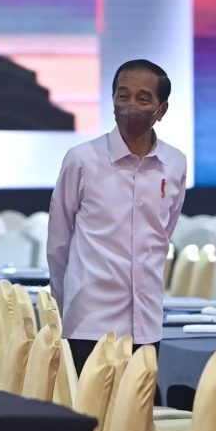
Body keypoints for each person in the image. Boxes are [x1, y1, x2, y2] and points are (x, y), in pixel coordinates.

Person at [47, 59, 187, 373]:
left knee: (137, 417)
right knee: (91, 417)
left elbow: (164, 235)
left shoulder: (175, 163)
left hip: (147, 320)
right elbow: (58, 241)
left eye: (143, 98)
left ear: (161, 110)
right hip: (89, 318)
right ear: (111, 100)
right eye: (122, 96)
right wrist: (66, 300)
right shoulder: (81, 159)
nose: (130, 106)